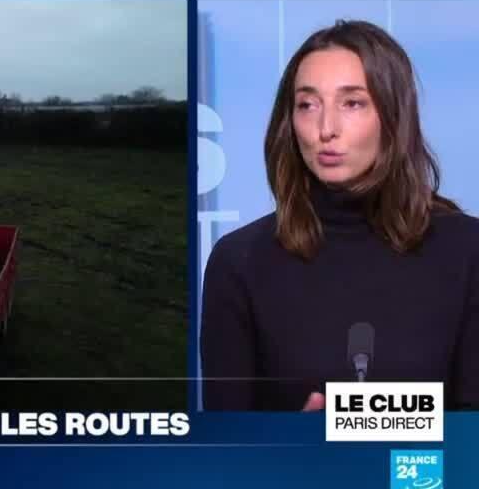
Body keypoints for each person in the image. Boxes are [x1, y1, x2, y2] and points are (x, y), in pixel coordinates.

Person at [200, 20, 479, 412]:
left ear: (393, 116)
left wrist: (362, 427)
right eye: (307, 104)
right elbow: (227, 453)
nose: (325, 129)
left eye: (352, 103)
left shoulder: (467, 252)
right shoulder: (239, 262)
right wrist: (297, 449)